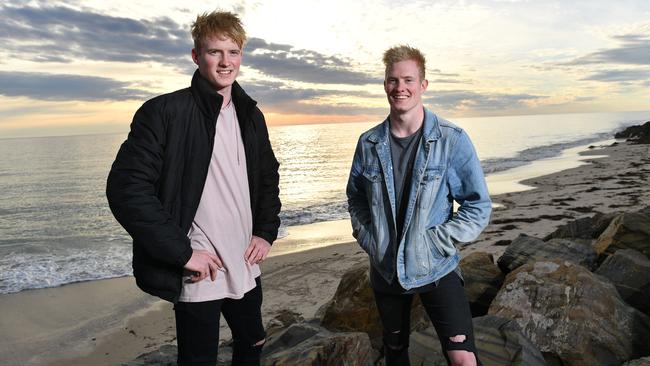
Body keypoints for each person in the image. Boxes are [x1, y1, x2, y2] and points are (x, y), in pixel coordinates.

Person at [106, 11, 281, 366]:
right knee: (199, 359)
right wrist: (183, 254)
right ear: (196, 56)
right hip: (200, 266)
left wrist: (264, 232)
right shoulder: (164, 112)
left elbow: (267, 176)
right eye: (215, 52)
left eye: (233, 52)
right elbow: (126, 190)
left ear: (241, 56)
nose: (225, 62)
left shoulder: (250, 114)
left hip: (244, 260)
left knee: (254, 341)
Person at [346, 45, 491, 366]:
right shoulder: (368, 143)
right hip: (385, 270)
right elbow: (355, 197)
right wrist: (370, 239)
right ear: (385, 83)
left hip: (437, 268)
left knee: (463, 357)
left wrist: (436, 242)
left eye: (408, 80)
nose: (400, 88)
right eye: (393, 80)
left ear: (423, 84)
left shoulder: (452, 139)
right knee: (395, 352)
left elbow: (478, 206)